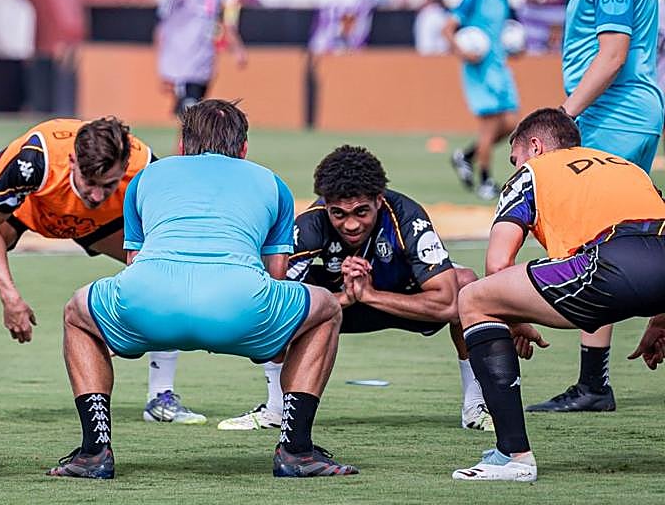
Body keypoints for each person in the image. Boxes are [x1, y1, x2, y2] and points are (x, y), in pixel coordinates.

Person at [49, 100, 357, 479]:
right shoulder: (271, 182)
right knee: (326, 308)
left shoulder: (146, 177)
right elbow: (276, 275)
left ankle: (94, 452)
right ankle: (296, 449)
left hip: (147, 303)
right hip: (241, 308)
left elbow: (134, 261)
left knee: (77, 313)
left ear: (182, 144)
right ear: (243, 149)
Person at [451, 108, 665, 482]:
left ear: (534, 146)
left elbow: (498, 264)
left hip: (608, 265)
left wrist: (514, 320)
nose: (516, 167)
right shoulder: (627, 168)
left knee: (473, 298)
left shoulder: (533, 173)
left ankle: (513, 456)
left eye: (515, 158)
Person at [0, 117, 205, 425]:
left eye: (108, 184)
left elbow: (166, 244)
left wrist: (129, 321)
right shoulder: (34, 160)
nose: (97, 194)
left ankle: (161, 395)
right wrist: (10, 297)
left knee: (166, 269)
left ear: (124, 167)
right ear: (73, 160)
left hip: (98, 222)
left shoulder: (147, 168)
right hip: (29, 205)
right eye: (90, 182)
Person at [218, 146, 487, 432]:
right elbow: (275, 308)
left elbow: (446, 303)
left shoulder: (408, 216)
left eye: (361, 212)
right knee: (279, 293)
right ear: (326, 204)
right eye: (339, 214)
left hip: (402, 298)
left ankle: (475, 406)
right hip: (338, 305)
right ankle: (275, 409)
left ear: (379, 200)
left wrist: (370, 294)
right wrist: (344, 297)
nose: (351, 224)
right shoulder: (310, 224)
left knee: (466, 285)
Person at [526, 0, 663, 413]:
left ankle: (593, 384)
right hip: (629, 112)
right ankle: (594, 381)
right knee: (614, 236)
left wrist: (563, 117)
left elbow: (611, 56)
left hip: (616, 114)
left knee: (593, 238)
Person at [446, 0, 520, 200]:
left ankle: (465, 157)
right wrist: (462, 52)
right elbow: (448, 29)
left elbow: (509, 31)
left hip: (500, 68)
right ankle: (486, 180)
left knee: (511, 124)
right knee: (489, 127)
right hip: (479, 70)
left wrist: (516, 47)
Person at [156, 0, 246, 117]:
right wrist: (162, 66)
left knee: (194, 116)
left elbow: (224, 23)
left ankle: (185, 145)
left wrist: (237, 49)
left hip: (203, 64)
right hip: (180, 65)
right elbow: (162, 26)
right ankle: (187, 144)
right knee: (189, 112)